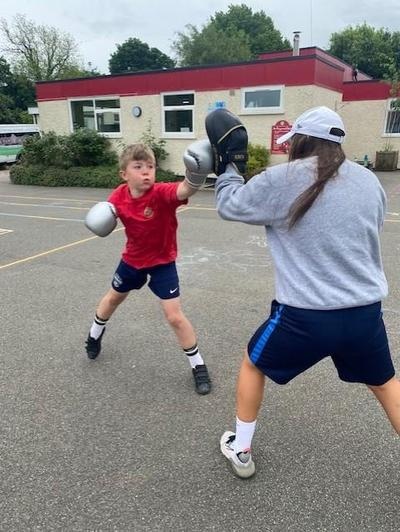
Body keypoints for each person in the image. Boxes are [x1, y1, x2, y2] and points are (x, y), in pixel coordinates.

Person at [203, 106, 400, 478]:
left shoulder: (284, 179)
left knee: (253, 363)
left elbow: (229, 205)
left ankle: (241, 451)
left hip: (306, 317)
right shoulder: (369, 180)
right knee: (385, 385)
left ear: (300, 141)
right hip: (364, 313)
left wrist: (228, 168)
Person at [84, 141, 213, 395]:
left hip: (163, 263)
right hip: (132, 260)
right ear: (124, 174)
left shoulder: (161, 193)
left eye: (150, 167)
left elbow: (184, 189)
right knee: (113, 299)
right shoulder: (118, 196)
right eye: (138, 166)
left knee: (174, 316)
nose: (146, 172)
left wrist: (197, 174)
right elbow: (107, 215)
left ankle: (198, 366)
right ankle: (94, 335)